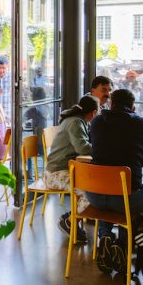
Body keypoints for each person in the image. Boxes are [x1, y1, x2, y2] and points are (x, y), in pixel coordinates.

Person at [86, 89, 143, 274]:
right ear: (133, 107)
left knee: (108, 206)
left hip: (93, 195)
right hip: (128, 197)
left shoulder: (96, 122)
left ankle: (105, 237)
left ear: (111, 104)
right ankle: (123, 246)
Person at [45, 95, 99, 244]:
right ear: (93, 113)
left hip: (59, 171)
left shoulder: (75, 120)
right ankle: (70, 221)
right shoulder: (75, 122)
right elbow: (82, 148)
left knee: (93, 188)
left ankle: (71, 216)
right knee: (91, 192)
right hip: (56, 174)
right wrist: (101, 149)